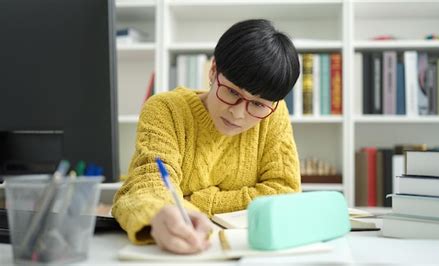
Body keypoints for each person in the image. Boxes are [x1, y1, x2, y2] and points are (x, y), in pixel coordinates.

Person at [112, 19, 301, 254]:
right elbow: (148, 185)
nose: (238, 113)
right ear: (213, 71)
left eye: (258, 105)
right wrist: (161, 213)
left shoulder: (274, 114)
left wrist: (198, 201)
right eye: (232, 92)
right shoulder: (166, 110)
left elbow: (285, 193)